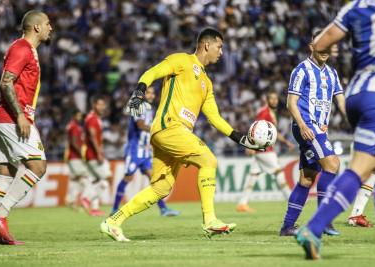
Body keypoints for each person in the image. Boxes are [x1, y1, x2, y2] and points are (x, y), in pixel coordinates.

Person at [100, 28, 263, 242]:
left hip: (172, 134)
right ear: (207, 45)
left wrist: (241, 138)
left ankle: (113, 221)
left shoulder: (207, 82)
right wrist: (140, 91)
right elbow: (152, 72)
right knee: (209, 160)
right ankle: (210, 220)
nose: (221, 52)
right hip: (169, 127)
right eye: (220, 46)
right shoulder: (181, 60)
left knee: (161, 188)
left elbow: (215, 118)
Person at [295, 1, 375, 260]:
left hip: (358, 93)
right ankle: (316, 228)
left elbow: (321, 43)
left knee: (373, 165)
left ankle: (316, 229)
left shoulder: (355, 7)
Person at [0, 10, 52, 245]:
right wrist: (20, 115)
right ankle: (0, 214)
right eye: (48, 24)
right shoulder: (22, 48)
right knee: (38, 166)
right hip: (12, 117)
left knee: (4, 171)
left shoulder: (29, 50)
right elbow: (6, 81)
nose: (51, 28)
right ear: (36, 27)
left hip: (3, 117)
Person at [280, 30, 346, 237]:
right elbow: (291, 103)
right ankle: (323, 220)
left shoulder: (332, 73)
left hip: (320, 129)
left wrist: (354, 118)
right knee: (333, 163)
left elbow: (341, 101)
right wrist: (303, 125)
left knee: (307, 178)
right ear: (312, 46)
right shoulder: (301, 70)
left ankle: (287, 227)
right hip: (307, 126)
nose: (325, 50)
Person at [112, 86, 180, 217]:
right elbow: (141, 125)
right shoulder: (140, 106)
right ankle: (114, 209)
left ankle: (163, 209)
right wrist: (159, 130)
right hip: (134, 150)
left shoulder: (150, 108)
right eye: (148, 93)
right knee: (128, 177)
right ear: (142, 95)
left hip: (145, 152)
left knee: (154, 179)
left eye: (153, 93)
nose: (151, 95)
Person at [237, 89, 295, 213]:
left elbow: (274, 133)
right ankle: (292, 200)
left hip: (263, 149)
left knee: (253, 175)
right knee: (278, 171)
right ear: (267, 100)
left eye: (276, 98)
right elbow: (255, 128)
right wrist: (250, 145)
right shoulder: (264, 113)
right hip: (265, 149)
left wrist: (285, 142)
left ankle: (242, 203)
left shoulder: (271, 112)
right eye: (272, 98)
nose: (274, 100)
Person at [80, 95, 111, 217]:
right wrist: (98, 152)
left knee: (96, 180)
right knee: (105, 180)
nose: (102, 107)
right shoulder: (92, 118)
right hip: (92, 155)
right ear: (94, 105)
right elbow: (92, 136)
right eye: (100, 104)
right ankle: (87, 198)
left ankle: (94, 208)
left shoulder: (95, 118)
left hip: (92, 154)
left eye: (104, 105)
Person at [64, 110, 89, 210]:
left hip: (72, 157)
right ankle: (77, 200)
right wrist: (82, 154)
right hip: (75, 157)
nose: (80, 117)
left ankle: (71, 201)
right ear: (74, 116)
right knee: (84, 178)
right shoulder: (74, 126)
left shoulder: (72, 125)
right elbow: (74, 143)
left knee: (75, 180)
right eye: (78, 116)